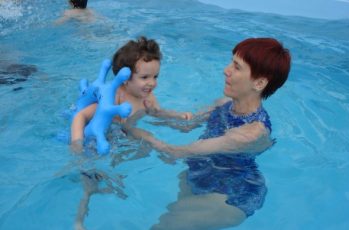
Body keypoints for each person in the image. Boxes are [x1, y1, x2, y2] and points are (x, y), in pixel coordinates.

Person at [124, 37, 291, 230]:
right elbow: (187, 125)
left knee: (166, 225)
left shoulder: (250, 133)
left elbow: (173, 151)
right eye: (231, 62)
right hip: (198, 175)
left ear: (259, 83)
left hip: (231, 197)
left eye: (236, 67)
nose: (226, 70)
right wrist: (154, 111)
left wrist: (131, 130)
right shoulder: (223, 104)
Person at [71, 36, 192, 153]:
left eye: (155, 76)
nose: (152, 83)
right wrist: (77, 143)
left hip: (126, 135)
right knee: (146, 137)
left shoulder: (148, 97)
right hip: (106, 135)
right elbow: (81, 116)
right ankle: (167, 150)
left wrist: (177, 115)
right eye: (145, 77)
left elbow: (157, 113)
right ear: (125, 78)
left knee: (145, 146)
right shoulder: (115, 97)